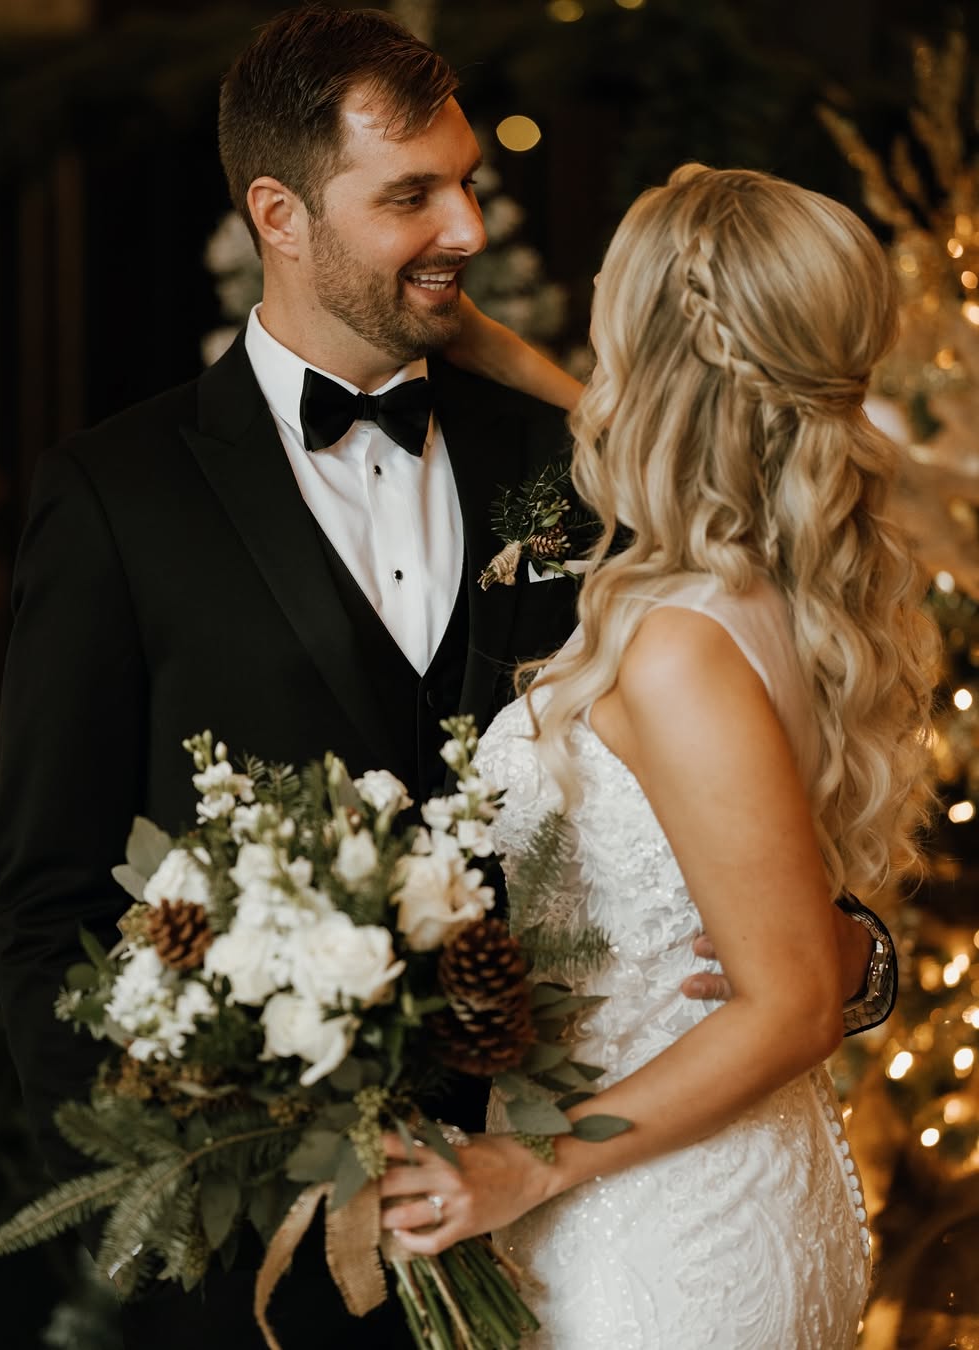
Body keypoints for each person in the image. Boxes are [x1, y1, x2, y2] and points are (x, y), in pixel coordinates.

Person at [0, 5, 894, 1345]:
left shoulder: (582, 473)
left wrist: (848, 953)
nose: (466, 227)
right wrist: (177, 1200)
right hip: (274, 1257)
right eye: (412, 193)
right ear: (279, 215)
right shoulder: (118, 501)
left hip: (578, 1213)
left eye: (467, 180)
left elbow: (735, 764)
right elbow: (49, 902)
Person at [377, 163, 940, 1348]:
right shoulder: (768, 579)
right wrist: (469, 335)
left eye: (609, 309)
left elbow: (790, 1004)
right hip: (735, 1182)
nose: (590, 333)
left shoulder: (679, 647)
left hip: (656, 1235)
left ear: (659, 360)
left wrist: (526, 1168)